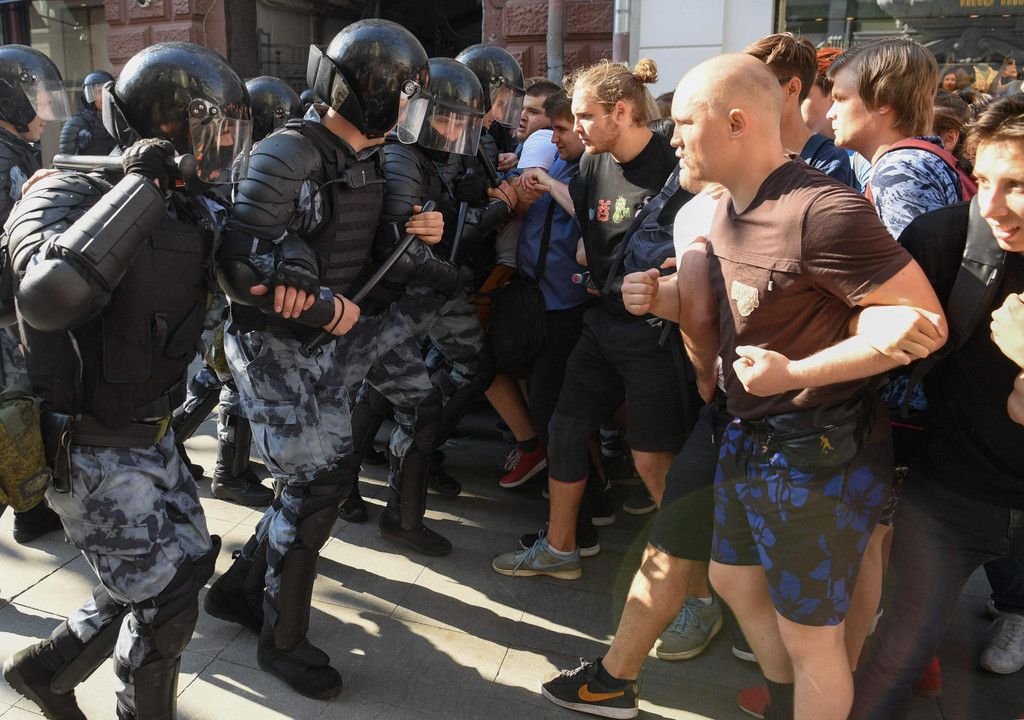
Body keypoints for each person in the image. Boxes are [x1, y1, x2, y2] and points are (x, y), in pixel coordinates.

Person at [675, 54, 943, 720]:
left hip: (818, 448)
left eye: (682, 122)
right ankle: (788, 703)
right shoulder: (726, 205)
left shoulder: (822, 209)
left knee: (811, 638)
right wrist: (662, 298)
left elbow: (924, 322)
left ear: (735, 122)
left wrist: (795, 373)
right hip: (749, 434)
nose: (672, 137)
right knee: (732, 579)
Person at [1, 41, 248, 720]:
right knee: (164, 599)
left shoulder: (193, 208)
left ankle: (46, 670)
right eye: (213, 129)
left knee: (188, 562)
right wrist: (142, 187)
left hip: (152, 429)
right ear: (167, 125)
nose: (225, 147)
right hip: (86, 440)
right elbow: (48, 296)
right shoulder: (62, 190)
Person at [202, 20, 442, 700]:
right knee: (315, 486)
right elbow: (240, 266)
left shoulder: (372, 156)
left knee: (318, 483)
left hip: (330, 344)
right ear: (371, 91)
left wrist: (421, 230)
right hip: (275, 344)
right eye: (402, 95)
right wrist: (316, 306)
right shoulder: (288, 153)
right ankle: (282, 642)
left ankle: (237, 592)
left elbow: (367, 247)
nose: (408, 110)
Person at [851, 94, 1024, 719]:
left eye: (1018, 186)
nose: (991, 205)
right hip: (953, 490)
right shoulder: (946, 236)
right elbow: (861, 326)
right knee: (898, 652)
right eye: (984, 180)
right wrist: (877, 330)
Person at [491, 58, 692, 580]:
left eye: (583, 116)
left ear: (621, 112)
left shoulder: (675, 165)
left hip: (655, 331)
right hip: (602, 321)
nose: (574, 127)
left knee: (650, 459)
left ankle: (694, 588)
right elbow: (588, 231)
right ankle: (561, 549)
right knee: (563, 429)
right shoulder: (591, 165)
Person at [345, 56, 495, 555]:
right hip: (395, 302)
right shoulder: (401, 156)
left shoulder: (431, 156)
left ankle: (400, 495)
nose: (455, 131)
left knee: (464, 373)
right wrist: (495, 211)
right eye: (447, 118)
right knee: (394, 398)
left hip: (427, 294)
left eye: (461, 121)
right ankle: (374, 502)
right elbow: (404, 250)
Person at [0, 44, 70, 543]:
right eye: (37, 103)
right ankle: (27, 510)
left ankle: (31, 509)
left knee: (21, 408)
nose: (45, 115)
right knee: (14, 411)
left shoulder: (16, 150)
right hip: (5, 313)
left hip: (12, 307)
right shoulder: (5, 157)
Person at [744, 33, 853, 186]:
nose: (746, 96)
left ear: (792, 89)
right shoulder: (742, 147)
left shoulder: (828, 159)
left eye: (758, 86)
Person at [58, 70, 117, 156]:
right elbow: (65, 160)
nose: (103, 96)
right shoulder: (77, 124)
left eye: (106, 91)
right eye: (98, 92)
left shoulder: (121, 120)